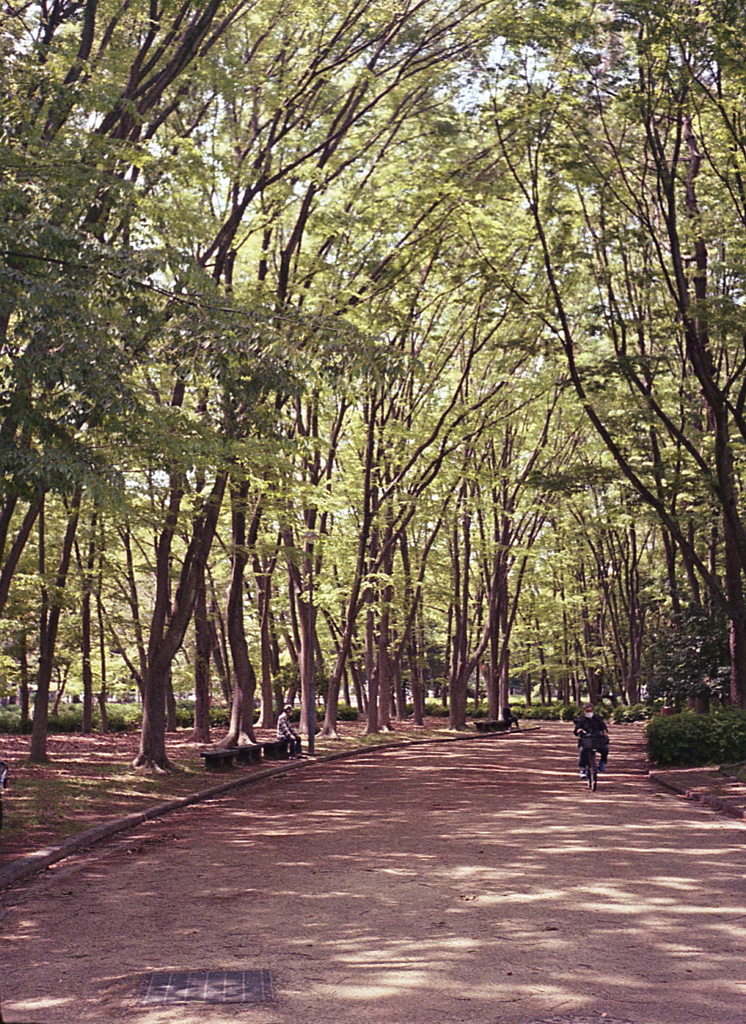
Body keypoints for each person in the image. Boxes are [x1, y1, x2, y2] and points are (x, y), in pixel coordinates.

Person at [573, 703, 609, 777]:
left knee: (605, 749)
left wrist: (605, 734)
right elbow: (576, 730)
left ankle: (602, 762)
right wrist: (580, 731)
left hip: (597, 739)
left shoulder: (597, 718)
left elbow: (603, 728)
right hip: (585, 739)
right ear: (584, 711)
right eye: (587, 711)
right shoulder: (581, 719)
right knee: (583, 752)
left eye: (590, 710)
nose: (589, 712)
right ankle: (583, 769)